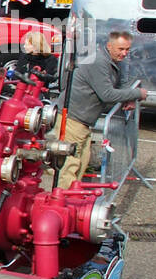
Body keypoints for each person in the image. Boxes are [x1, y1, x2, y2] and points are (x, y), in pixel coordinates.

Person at [55, 30, 147, 188]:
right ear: (109, 46)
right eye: (121, 49)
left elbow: (120, 85)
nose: (124, 53)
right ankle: (61, 202)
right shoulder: (98, 62)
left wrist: (129, 97)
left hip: (82, 120)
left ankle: (71, 199)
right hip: (72, 118)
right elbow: (107, 94)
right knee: (69, 165)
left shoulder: (112, 62)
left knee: (81, 162)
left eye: (127, 49)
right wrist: (138, 93)